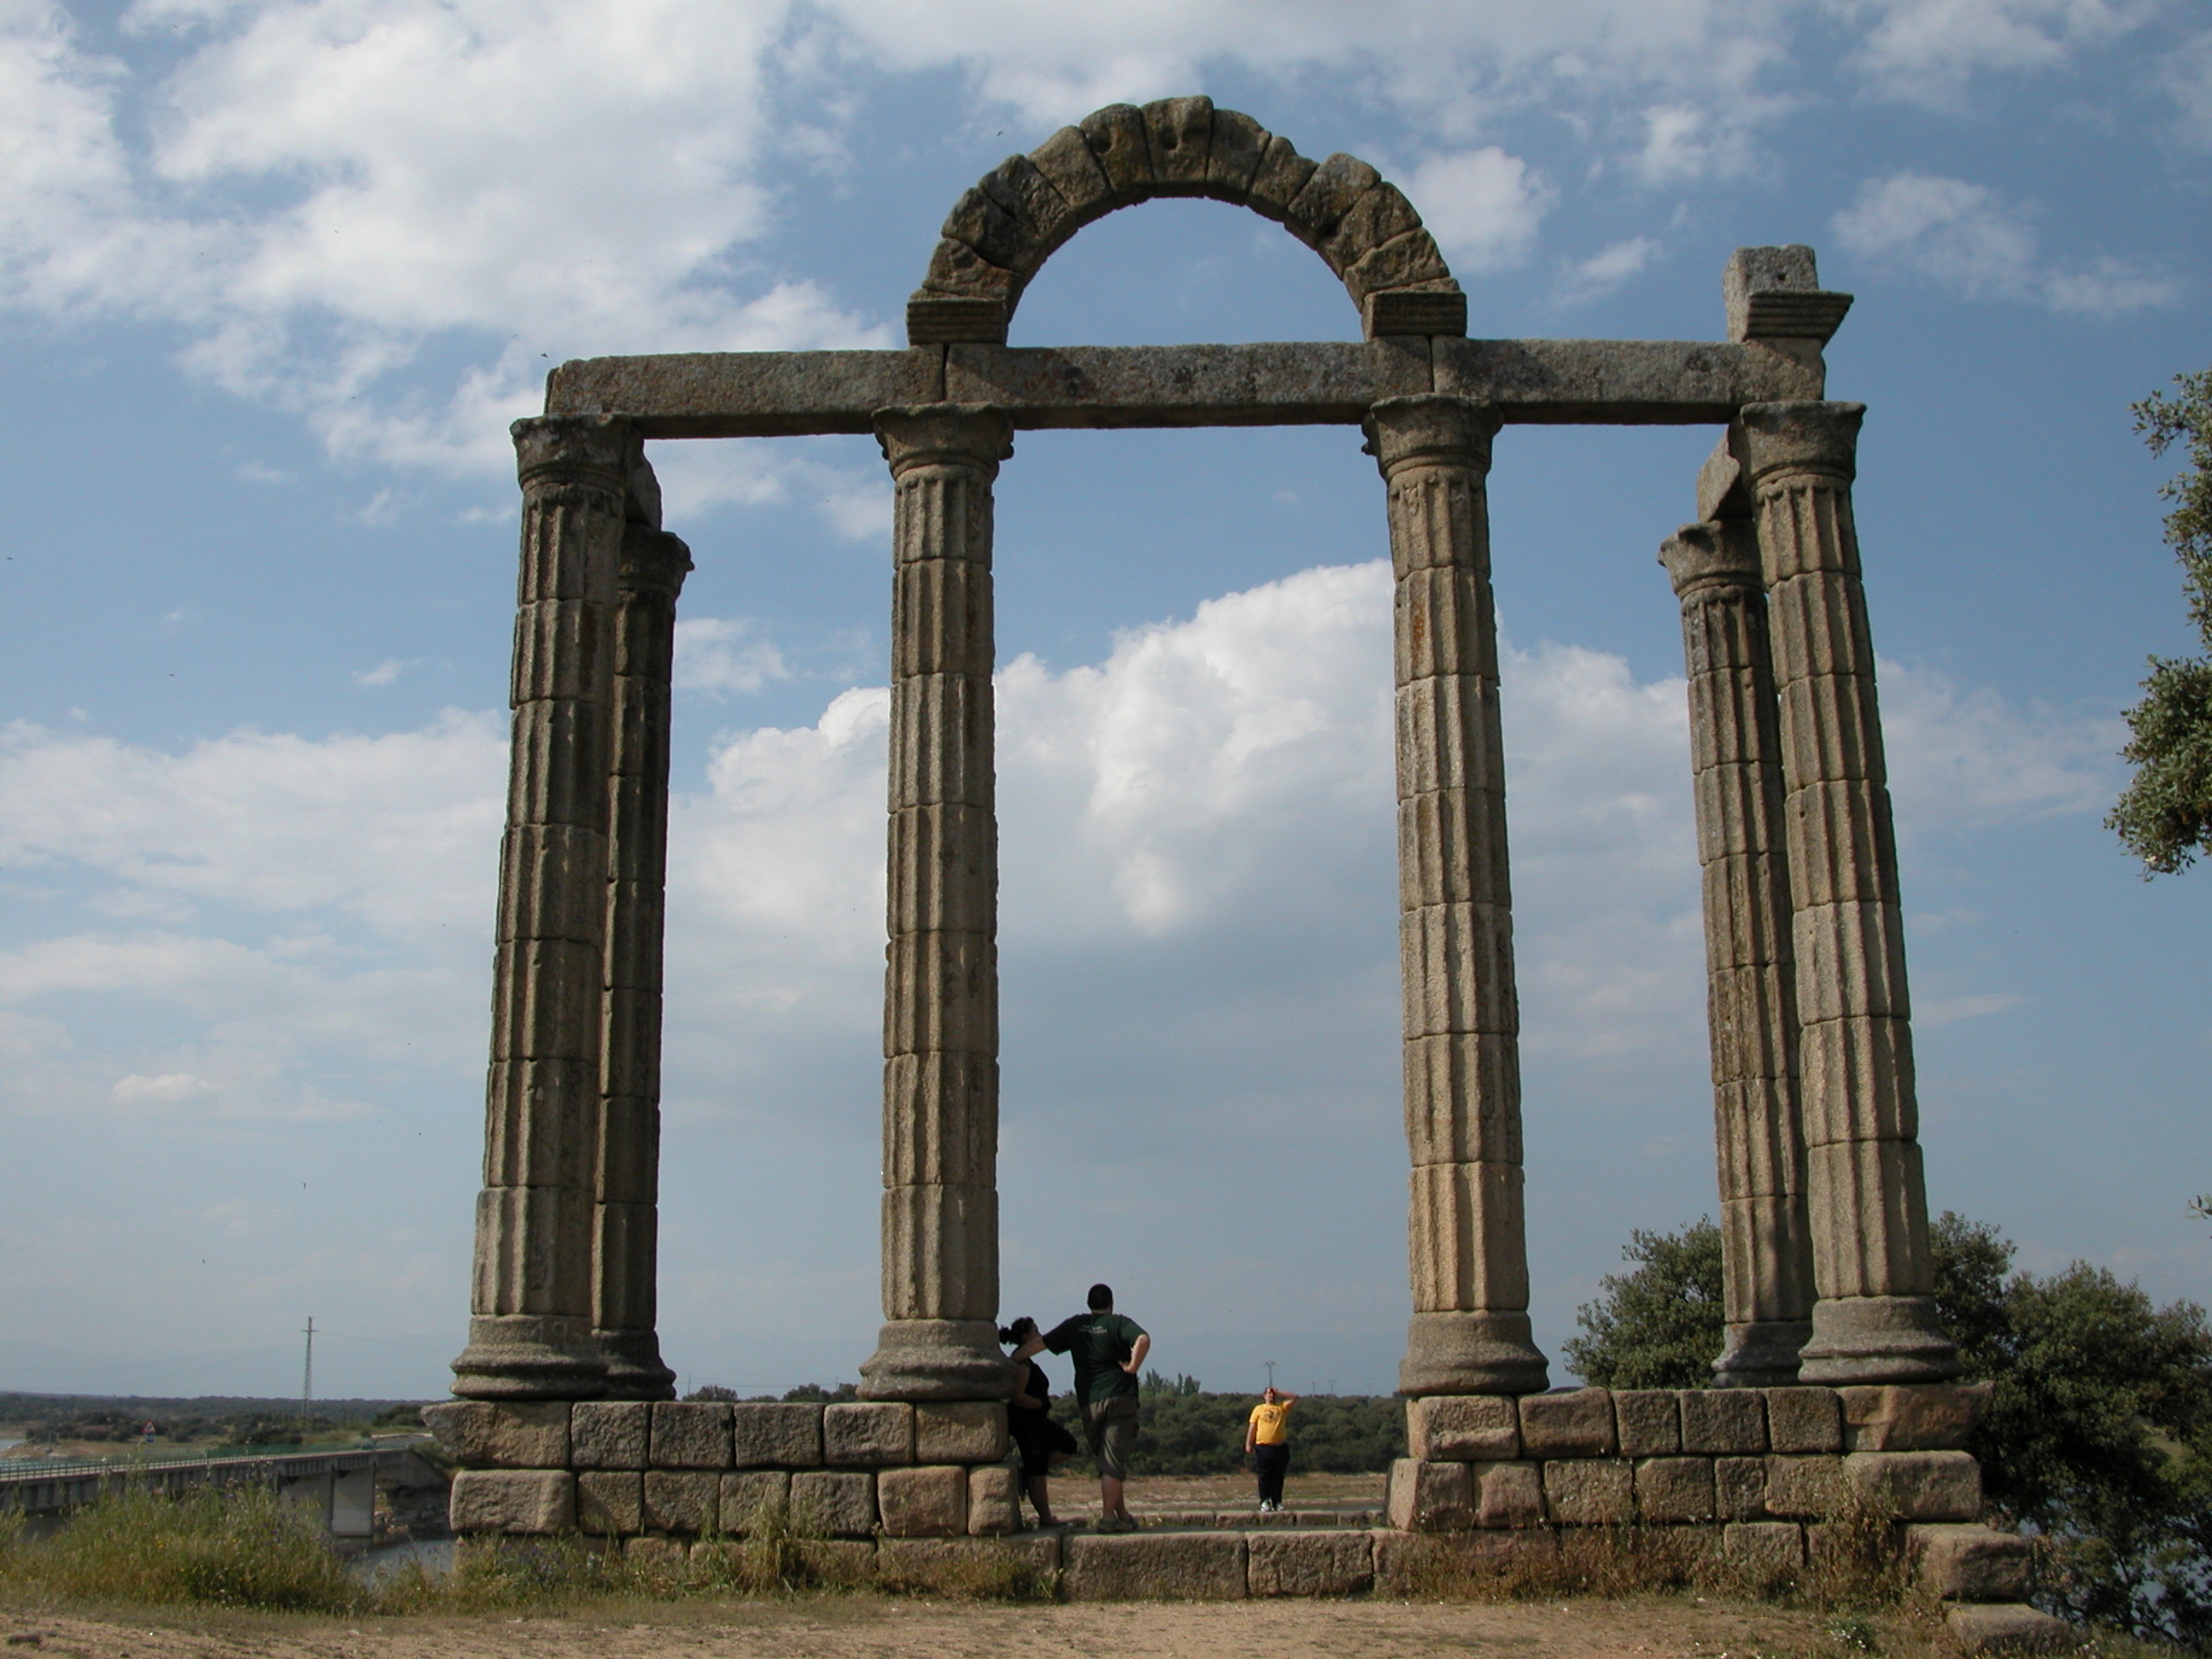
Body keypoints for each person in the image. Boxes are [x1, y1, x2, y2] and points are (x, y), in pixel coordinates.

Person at [1042, 1283, 1149, 1532]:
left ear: (1088, 1303)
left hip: (1090, 1401)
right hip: (1120, 1397)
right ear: (1111, 1302)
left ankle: (1122, 1515)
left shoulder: (1076, 1325)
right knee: (1112, 1463)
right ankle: (1108, 1519)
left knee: (1107, 1461)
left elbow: (1041, 1343)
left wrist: (1013, 1359)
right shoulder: (1118, 1323)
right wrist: (1133, 1366)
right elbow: (1143, 1339)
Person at [998, 1316, 1078, 1528]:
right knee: (1037, 1472)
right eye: (1035, 1330)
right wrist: (1039, 1404)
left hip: (1038, 1420)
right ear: (1026, 1336)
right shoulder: (1022, 1364)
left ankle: (1025, 1472)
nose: (1039, 1334)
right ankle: (1046, 1517)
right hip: (1028, 1423)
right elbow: (1017, 1396)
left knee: (1068, 1445)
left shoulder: (1026, 1361)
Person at [1244, 1384, 1299, 1512]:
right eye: (1269, 1393)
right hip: (1263, 1447)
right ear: (1264, 1396)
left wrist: (1279, 1391)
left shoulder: (1281, 1408)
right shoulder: (1258, 1409)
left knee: (1278, 1476)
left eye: (1273, 1393)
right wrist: (1248, 1443)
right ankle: (1264, 1501)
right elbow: (1252, 1427)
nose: (1271, 1395)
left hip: (1280, 1447)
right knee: (1265, 1475)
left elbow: (1295, 1397)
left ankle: (1277, 1502)